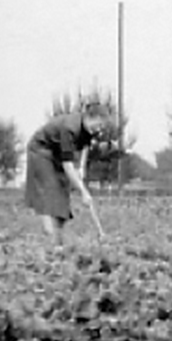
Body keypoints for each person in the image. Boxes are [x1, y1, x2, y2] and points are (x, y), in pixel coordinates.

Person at [24, 103, 110, 249]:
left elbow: (85, 145)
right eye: (99, 124)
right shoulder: (69, 129)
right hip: (40, 150)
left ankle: (59, 241)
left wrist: (82, 167)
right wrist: (83, 192)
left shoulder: (88, 128)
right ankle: (50, 241)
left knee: (63, 192)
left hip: (55, 152)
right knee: (50, 190)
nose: (100, 129)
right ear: (90, 117)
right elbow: (68, 165)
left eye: (102, 126)